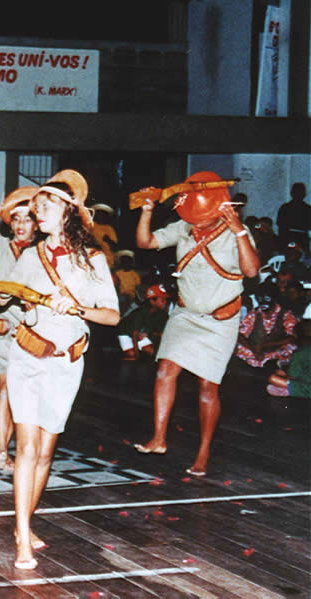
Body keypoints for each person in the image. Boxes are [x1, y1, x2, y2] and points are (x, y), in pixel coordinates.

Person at [0, 169, 120, 570]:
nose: (37, 213)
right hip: (26, 357)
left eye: (45, 205)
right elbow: (7, 300)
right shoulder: (30, 255)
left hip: (66, 362)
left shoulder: (93, 260)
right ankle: (21, 537)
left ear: (69, 211)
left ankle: (26, 522)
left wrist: (79, 309)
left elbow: (111, 316)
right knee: (27, 449)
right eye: (36, 208)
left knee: (47, 453)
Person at [133, 171, 260, 476]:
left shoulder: (235, 232)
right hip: (186, 314)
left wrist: (240, 232)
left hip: (220, 320)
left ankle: (203, 453)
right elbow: (146, 241)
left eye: (202, 217)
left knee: (207, 387)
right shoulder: (185, 227)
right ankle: (159, 438)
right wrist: (147, 211)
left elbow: (252, 271)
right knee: (165, 370)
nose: (198, 223)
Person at [0, 163, 39, 474]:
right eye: (16, 219)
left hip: (35, 333)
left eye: (28, 219)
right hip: (5, 331)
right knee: (5, 385)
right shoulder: (2, 246)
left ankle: (16, 448)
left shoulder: (43, 253)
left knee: (22, 393)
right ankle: (1, 451)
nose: (21, 224)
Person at [235, 282, 297, 369]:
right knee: (236, 345)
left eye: (267, 298)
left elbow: (292, 338)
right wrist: (253, 349)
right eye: (259, 298)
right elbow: (240, 335)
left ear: (275, 298)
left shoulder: (286, 314)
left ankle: (268, 363)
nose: (263, 302)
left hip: (275, 349)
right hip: (255, 350)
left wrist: (266, 345)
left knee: (291, 347)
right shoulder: (254, 313)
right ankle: (262, 362)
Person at [117, 283, 170, 360]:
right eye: (162, 300)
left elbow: (159, 333)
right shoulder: (140, 313)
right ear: (152, 301)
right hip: (125, 333)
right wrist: (137, 356)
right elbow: (134, 334)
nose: (165, 302)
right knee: (132, 354)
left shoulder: (162, 314)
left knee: (151, 351)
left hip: (141, 334)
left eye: (166, 300)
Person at [267, 319, 311, 398]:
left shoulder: (300, 353)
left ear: (296, 336)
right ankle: (288, 390)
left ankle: (290, 391)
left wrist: (283, 374)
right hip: (306, 378)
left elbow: (292, 377)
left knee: (273, 378)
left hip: (307, 387)